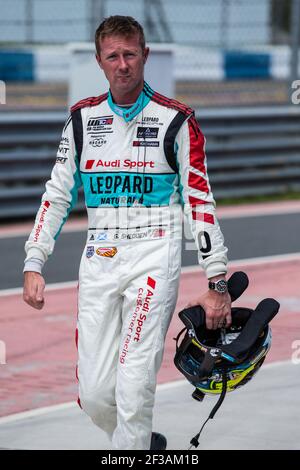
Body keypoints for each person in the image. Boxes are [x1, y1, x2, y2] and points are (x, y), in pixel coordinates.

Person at [23, 15, 231, 450]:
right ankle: (141, 445)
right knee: (98, 396)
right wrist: (34, 260)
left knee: (134, 388)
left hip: (154, 257)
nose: (123, 65)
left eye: (130, 54)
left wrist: (217, 280)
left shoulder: (177, 120)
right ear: (100, 61)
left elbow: (199, 201)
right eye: (113, 56)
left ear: (145, 56)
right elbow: (56, 195)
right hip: (99, 259)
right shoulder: (81, 119)